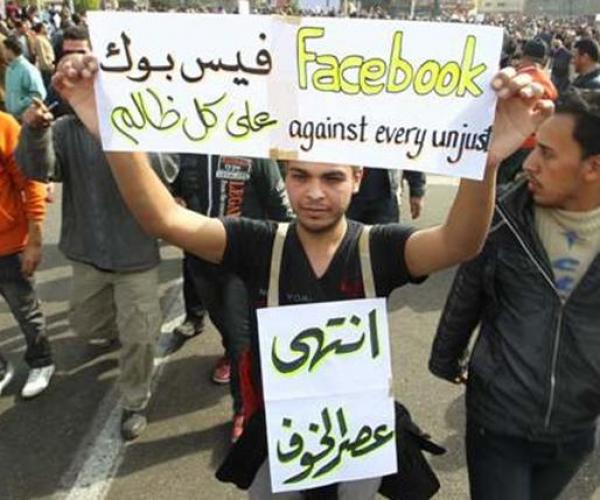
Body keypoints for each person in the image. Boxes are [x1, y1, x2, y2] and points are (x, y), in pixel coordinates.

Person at [52, 53, 551, 498]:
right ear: (285, 176)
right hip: (280, 435)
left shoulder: (377, 248)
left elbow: (459, 243)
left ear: (357, 179)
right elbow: (163, 219)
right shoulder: (258, 242)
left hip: (359, 435)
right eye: (300, 176)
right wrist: (112, 133)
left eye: (332, 178)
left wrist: (488, 162)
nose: (314, 193)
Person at [429, 89, 600, 500]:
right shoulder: (504, 217)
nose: (528, 163)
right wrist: (446, 358)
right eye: (534, 147)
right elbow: (467, 292)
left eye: (547, 154)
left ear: (593, 167)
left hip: (575, 430)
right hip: (499, 423)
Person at [14, 29, 177, 441]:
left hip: (135, 256)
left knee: (140, 335)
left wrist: (118, 132)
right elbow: (37, 171)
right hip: (88, 254)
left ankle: (135, 400)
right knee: (87, 325)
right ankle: (127, 327)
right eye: (66, 57)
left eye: (82, 56)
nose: (74, 64)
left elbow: (168, 170)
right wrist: (34, 131)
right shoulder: (64, 128)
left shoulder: (140, 117)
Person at [167, 153, 292, 442]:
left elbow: (282, 210)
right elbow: (171, 193)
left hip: (245, 265)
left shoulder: (256, 151)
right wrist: (174, 201)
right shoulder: (186, 148)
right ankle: (235, 357)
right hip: (200, 260)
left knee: (240, 340)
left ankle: (244, 410)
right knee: (225, 326)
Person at [0, 109, 54, 399]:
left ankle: (41, 361)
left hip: (8, 245)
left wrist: (34, 238)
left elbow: (31, 181)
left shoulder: (4, 125)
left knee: (26, 311)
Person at [347, 168, 426, 224]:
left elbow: (409, 152)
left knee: (384, 239)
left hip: (385, 196)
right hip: (346, 193)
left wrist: (417, 190)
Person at [2, 35, 45, 119]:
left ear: (10, 50)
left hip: (25, 119)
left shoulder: (27, 69)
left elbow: (38, 94)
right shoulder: (10, 69)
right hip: (12, 118)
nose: (2, 52)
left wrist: (20, 105)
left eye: (4, 49)